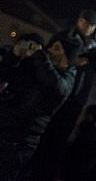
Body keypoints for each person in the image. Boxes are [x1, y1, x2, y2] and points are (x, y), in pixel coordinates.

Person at [30, 9, 96, 181]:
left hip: (76, 97)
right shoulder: (63, 37)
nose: (86, 27)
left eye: (91, 25)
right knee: (43, 131)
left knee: (60, 137)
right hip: (55, 91)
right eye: (84, 22)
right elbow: (48, 57)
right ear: (78, 21)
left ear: (95, 28)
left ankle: (47, 173)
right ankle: (31, 167)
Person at [0, 33, 81, 181]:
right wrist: (14, 56)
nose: (49, 50)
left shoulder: (68, 76)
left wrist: (39, 55)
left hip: (19, 142)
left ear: (67, 57)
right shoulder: (37, 65)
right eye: (50, 46)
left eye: (56, 48)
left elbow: (56, 87)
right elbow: (6, 74)